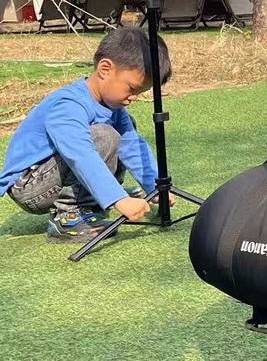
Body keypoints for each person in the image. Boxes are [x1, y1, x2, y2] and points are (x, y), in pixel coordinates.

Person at [0, 27, 163, 241]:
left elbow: (133, 146)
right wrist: (118, 200)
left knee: (121, 133)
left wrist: (156, 186)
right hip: (29, 186)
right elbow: (80, 154)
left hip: (50, 177)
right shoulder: (69, 105)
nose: (133, 97)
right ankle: (69, 218)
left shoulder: (113, 108)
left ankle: (94, 200)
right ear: (105, 69)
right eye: (131, 89)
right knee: (105, 136)